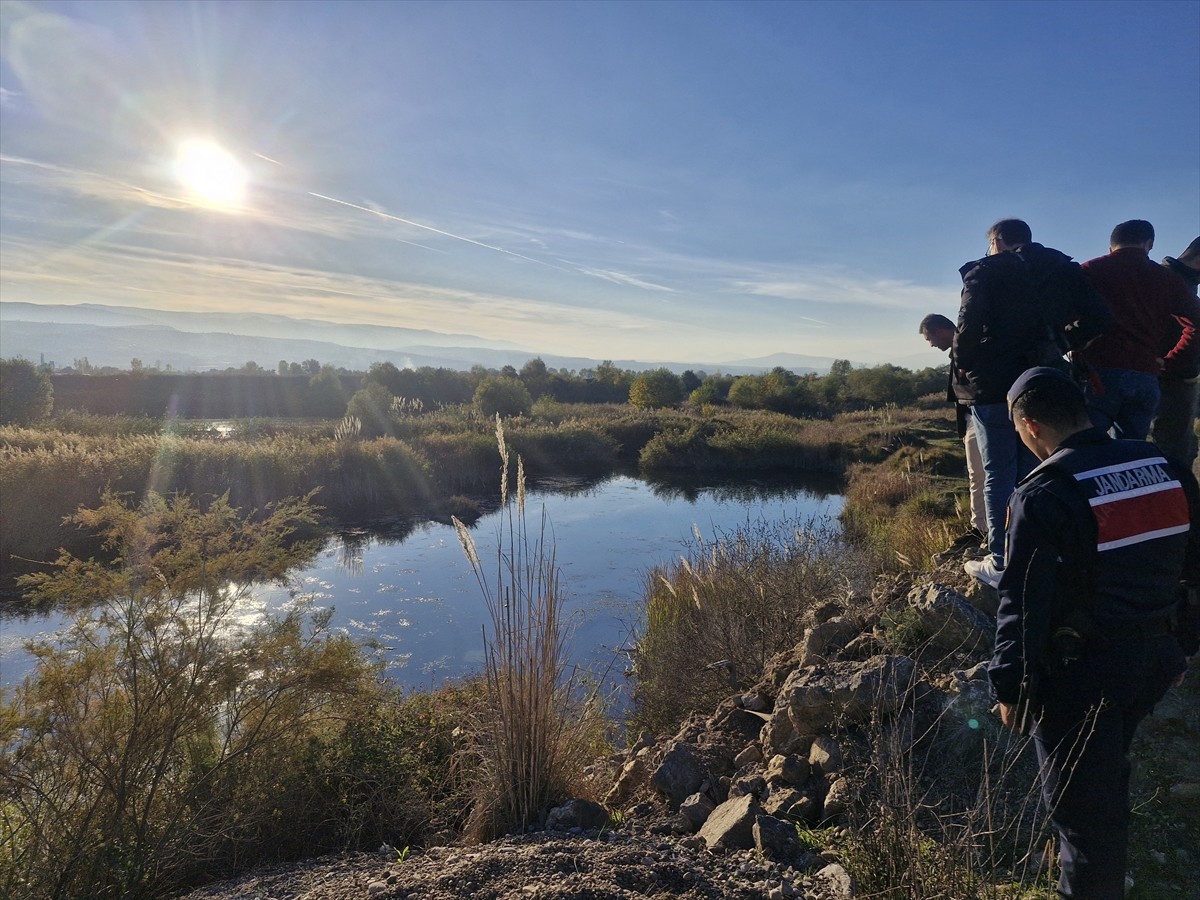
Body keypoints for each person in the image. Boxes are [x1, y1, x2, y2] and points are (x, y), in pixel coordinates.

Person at [989, 366, 1199, 899]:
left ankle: (1089, 875)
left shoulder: (1043, 493)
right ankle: (1084, 850)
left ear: (1030, 426)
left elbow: (1022, 606)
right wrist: (1182, 649)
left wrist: (1010, 689)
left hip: (1081, 677)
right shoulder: (1168, 467)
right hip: (1153, 659)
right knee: (1104, 764)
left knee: (1085, 816)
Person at [954, 221, 1044, 587]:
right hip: (1038, 382)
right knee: (1032, 467)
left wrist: (964, 362)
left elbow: (969, 325)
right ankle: (1034, 547)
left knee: (998, 472)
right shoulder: (1053, 268)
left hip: (992, 388)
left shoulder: (984, 272)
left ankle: (1001, 557)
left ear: (996, 242)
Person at [1080, 220, 1200, 440]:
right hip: (1145, 375)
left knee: (1088, 447)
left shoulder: (1090, 270)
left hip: (1099, 372)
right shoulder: (1166, 279)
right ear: (1148, 245)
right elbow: (1196, 322)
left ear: (1111, 246)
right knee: (1134, 453)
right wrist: (1173, 359)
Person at [919, 313, 985, 549]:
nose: (931, 344)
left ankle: (982, 530)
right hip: (975, 419)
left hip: (979, 418)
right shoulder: (962, 347)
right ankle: (984, 526)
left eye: (929, 338)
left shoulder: (968, 347)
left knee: (979, 475)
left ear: (939, 330)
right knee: (979, 476)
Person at [1151, 237, 1200, 465]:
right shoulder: (1173, 281)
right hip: (1170, 379)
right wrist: (1173, 363)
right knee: (1173, 451)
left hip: (1169, 375)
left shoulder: (1173, 278)